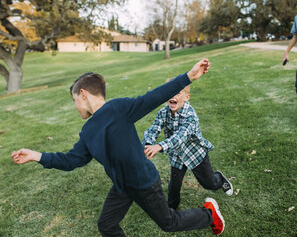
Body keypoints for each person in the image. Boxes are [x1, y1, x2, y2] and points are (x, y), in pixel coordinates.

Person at [11, 58, 225, 236]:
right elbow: (71, 160)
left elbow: (152, 98)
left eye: (75, 99)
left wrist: (188, 76)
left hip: (143, 182)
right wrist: (37, 156)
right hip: (121, 186)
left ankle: (209, 215)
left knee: (169, 223)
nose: (75, 106)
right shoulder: (88, 132)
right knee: (106, 225)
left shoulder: (118, 109)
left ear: (84, 95)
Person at [142, 80, 233, 210]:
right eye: (169, 92)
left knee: (209, 183)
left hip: (195, 153)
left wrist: (160, 146)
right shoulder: (163, 112)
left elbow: (180, 136)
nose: (173, 96)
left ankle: (219, 179)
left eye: (178, 93)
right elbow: (154, 129)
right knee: (174, 184)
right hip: (177, 154)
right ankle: (171, 208)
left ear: (186, 97)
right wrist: (148, 144)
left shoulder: (190, 115)